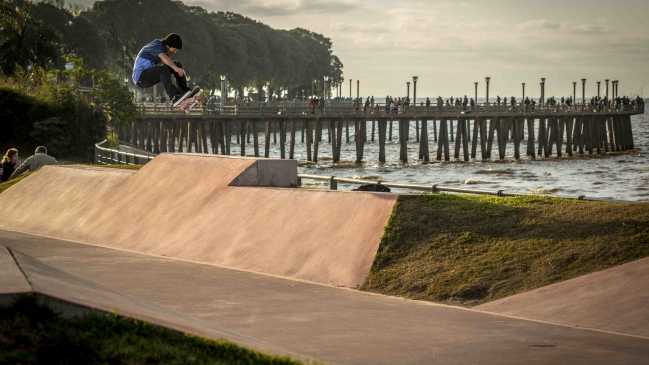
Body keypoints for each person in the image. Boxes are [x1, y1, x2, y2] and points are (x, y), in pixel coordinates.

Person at [132, 33, 199, 111]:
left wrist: (176, 67)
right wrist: (175, 68)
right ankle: (174, 96)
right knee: (164, 69)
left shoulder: (161, 47)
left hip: (148, 75)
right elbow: (163, 57)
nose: (174, 53)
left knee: (177, 64)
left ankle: (184, 91)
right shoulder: (157, 45)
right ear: (168, 45)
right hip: (140, 78)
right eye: (175, 50)